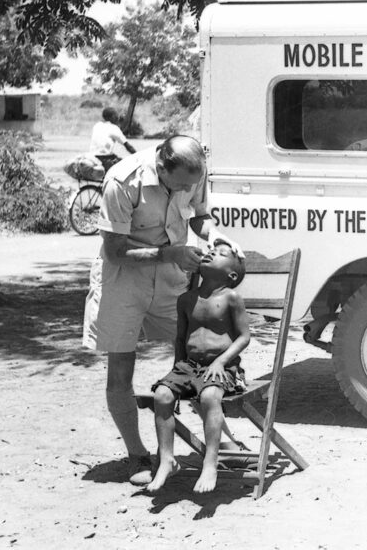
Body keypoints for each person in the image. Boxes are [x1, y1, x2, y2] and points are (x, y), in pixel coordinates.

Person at [82, 135, 241, 486]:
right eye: (180, 184)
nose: (187, 189)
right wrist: (171, 254)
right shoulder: (122, 181)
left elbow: (200, 218)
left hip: (171, 277)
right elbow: (115, 251)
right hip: (123, 278)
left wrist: (215, 236)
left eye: (190, 185)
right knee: (120, 368)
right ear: (161, 168)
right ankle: (137, 453)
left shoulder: (193, 172)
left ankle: (222, 440)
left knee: (198, 354)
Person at [146, 240, 250, 494]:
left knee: (209, 397)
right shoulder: (186, 299)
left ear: (231, 275)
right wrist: (175, 377)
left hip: (222, 368)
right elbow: (180, 339)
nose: (212, 252)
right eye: (212, 250)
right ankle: (167, 459)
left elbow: (244, 337)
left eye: (221, 254)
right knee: (162, 395)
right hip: (188, 367)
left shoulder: (231, 298)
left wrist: (220, 361)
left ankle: (210, 462)